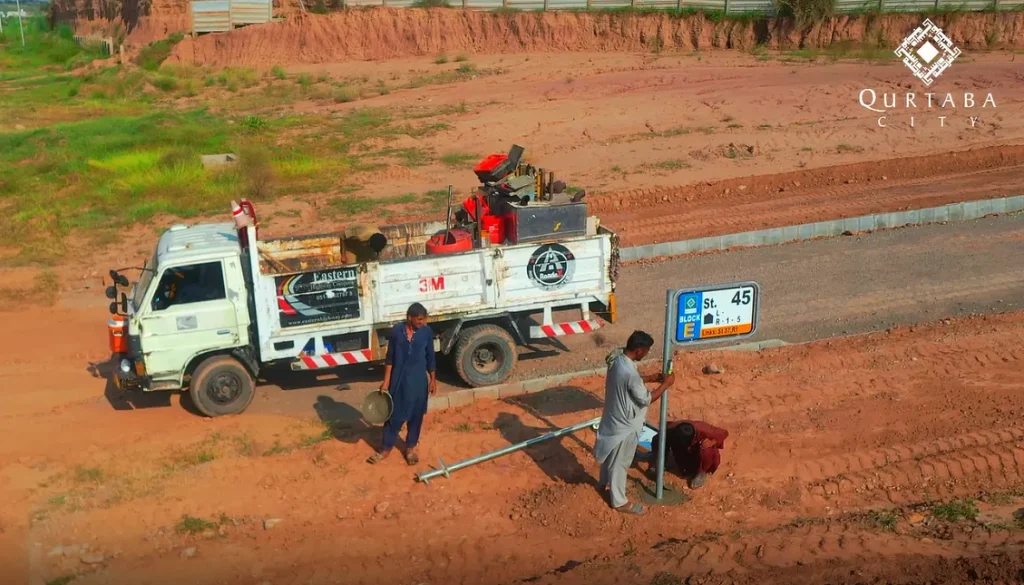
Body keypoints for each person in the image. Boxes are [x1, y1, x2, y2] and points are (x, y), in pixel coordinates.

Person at [593, 330, 675, 515]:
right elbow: (646, 399)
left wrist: (650, 378)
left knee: (609, 456)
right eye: (646, 351)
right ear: (638, 350)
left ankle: (603, 484)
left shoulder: (617, 359)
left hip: (613, 419)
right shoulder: (630, 373)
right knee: (620, 463)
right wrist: (665, 384)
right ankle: (619, 502)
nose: (646, 354)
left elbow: (628, 382)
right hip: (626, 426)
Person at [366, 303, 437, 466]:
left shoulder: (426, 332)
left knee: (416, 417)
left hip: (419, 381)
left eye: (423, 319)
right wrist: (386, 381)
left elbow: (431, 357)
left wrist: (432, 379)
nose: (422, 322)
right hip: (399, 381)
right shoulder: (397, 331)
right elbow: (390, 359)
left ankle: (410, 448)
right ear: (409, 318)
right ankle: (385, 449)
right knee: (393, 417)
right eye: (419, 319)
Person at [649, 420, 729, 489]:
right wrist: (658, 463)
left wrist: (711, 442)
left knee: (706, 450)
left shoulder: (704, 429)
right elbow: (657, 440)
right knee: (661, 439)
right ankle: (663, 464)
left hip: (699, 450)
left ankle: (702, 472)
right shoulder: (673, 428)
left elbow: (724, 433)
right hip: (683, 452)